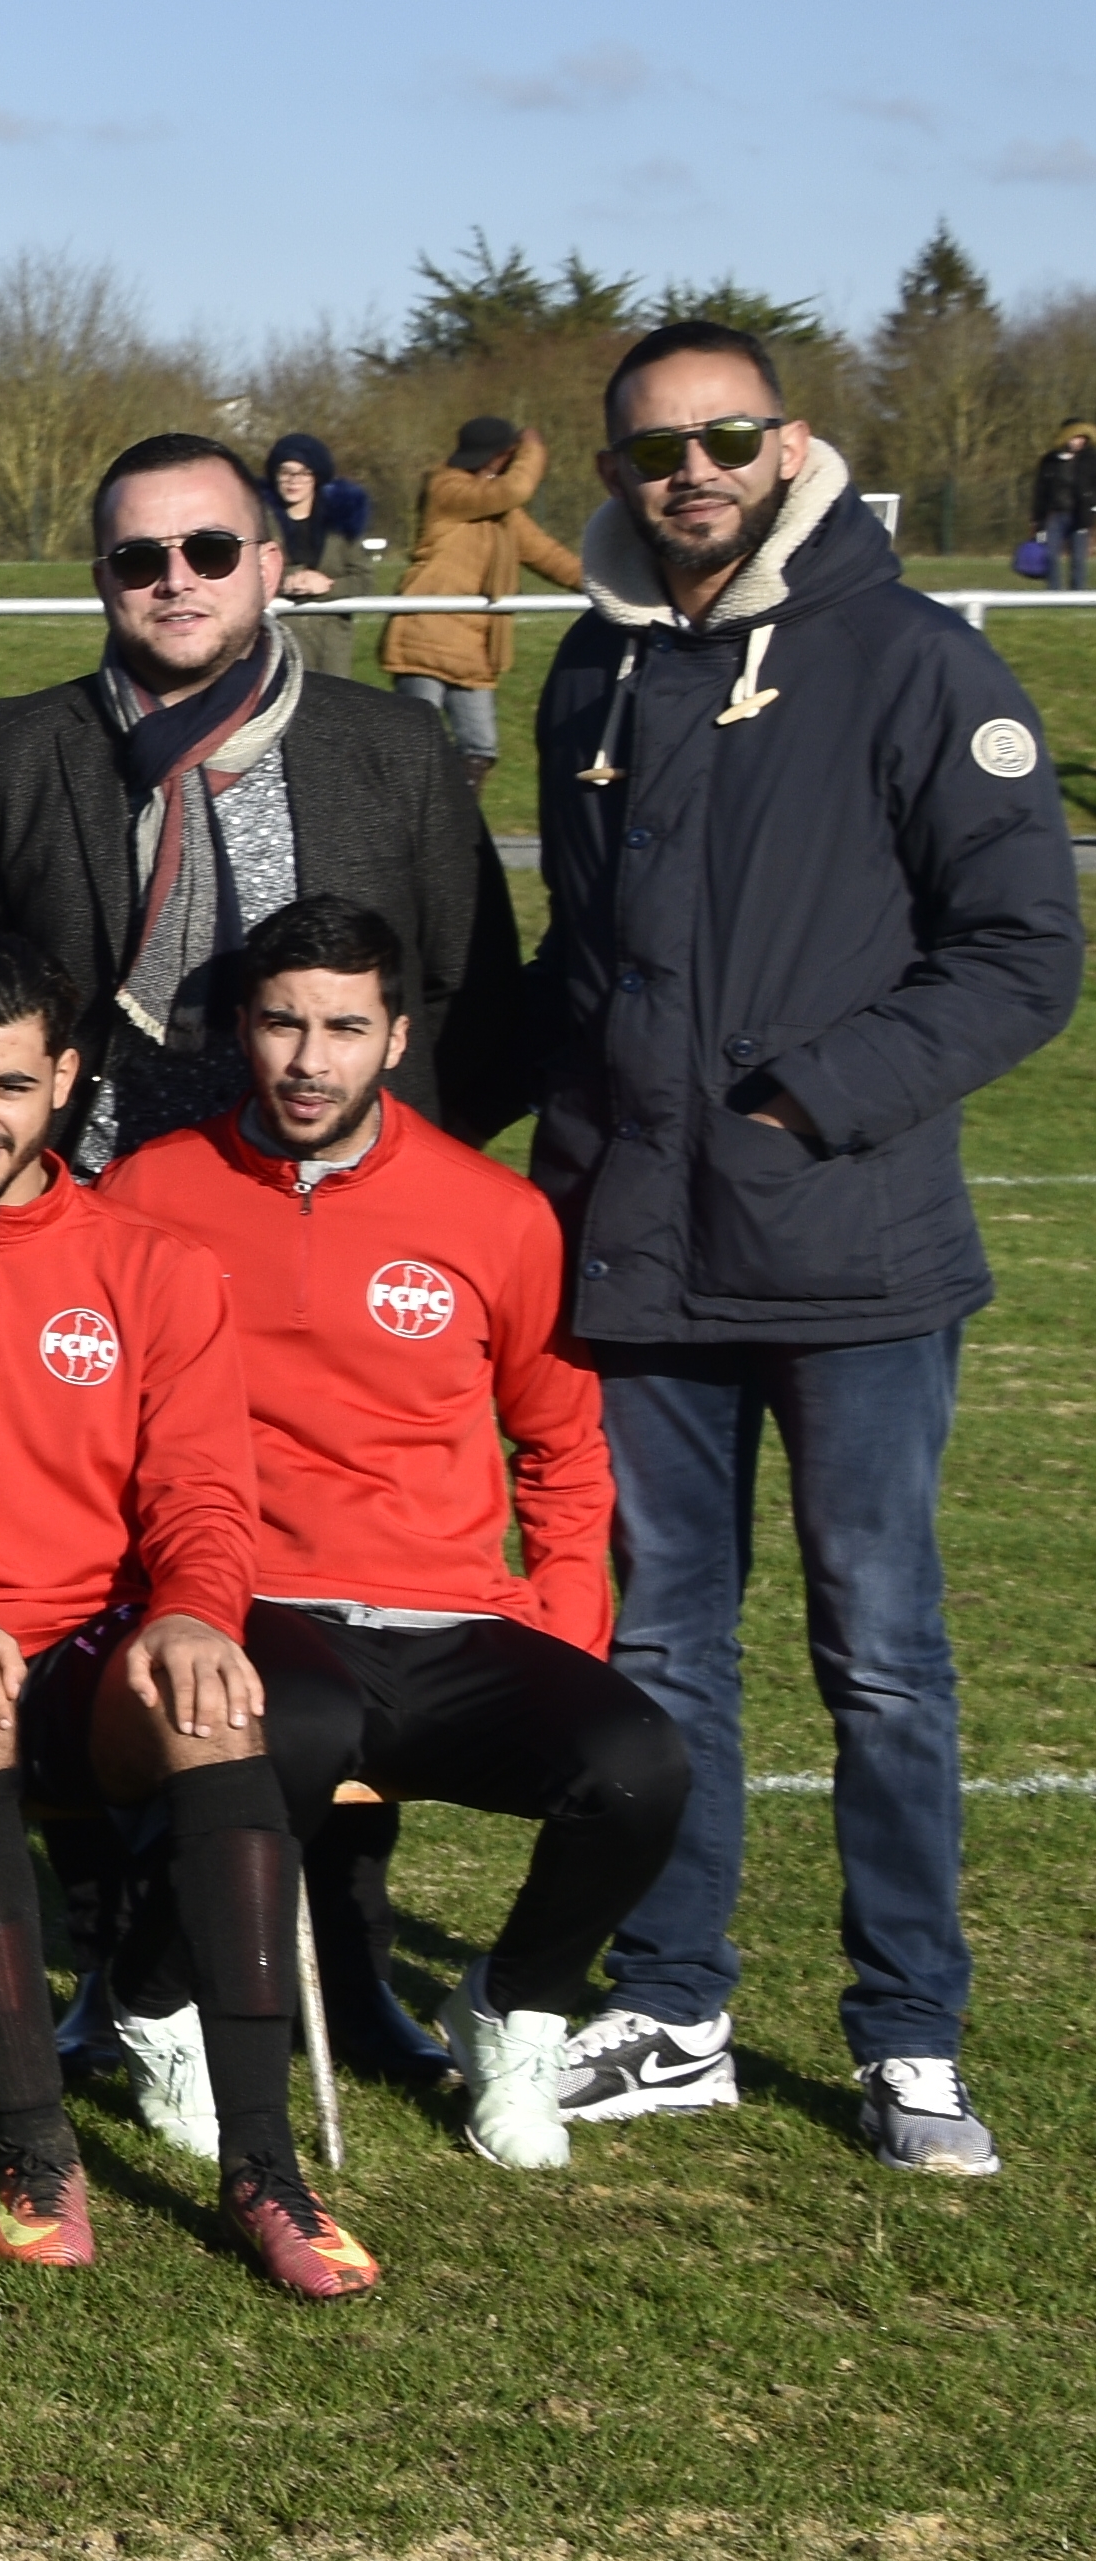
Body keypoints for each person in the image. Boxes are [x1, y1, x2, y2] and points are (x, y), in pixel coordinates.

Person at [529, 322, 1074, 2176]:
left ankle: (910, 2031)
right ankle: (676, 2001)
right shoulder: (592, 670)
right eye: (649, 449)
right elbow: (577, 979)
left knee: (887, 1659)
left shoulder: (917, 656)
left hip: (846, 1258)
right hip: (641, 1258)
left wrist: (806, 1103)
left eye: (723, 437)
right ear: (609, 473)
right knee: (666, 1646)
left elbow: (1021, 952)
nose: (687, 471)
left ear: (791, 443)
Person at [0, 929, 378, 2298]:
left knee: (212, 1692)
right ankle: (34, 2146)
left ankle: (261, 2167)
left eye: (5, 1084)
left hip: (102, 1640)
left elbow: (202, 1489)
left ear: (61, 1078)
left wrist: (192, 1611)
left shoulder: (152, 1263)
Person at [104, 893, 689, 2174]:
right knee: (286, 1731)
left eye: (343, 1027)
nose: (309, 1058)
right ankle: (151, 1999)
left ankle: (513, 2007)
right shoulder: (153, 1190)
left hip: (453, 1614)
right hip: (259, 1597)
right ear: (241, 1032)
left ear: (396, 1036)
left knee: (640, 1764)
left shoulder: (493, 1212)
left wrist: (567, 1620)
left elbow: (561, 1446)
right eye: (281, 1023)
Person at [0, 432, 521, 1171]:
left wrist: (405, 1161)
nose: (176, 580)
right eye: (139, 559)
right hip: (95, 1213)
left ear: (267, 565)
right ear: (101, 580)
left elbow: (471, 990)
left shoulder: (396, 744)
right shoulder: (9, 751)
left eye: (210, 550)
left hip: (336, 1202)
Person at [376, 418, 583, 791]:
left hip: (473, 648)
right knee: (414, 746)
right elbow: (517, 487)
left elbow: (547, 554)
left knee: (480, 749)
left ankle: (452, 830)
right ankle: (409, 829)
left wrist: (601, 584)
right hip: (425, 633)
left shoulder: (500, 514)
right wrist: (534, 448)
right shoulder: (447, 488)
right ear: (502, 456)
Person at [266, 437, 380, 685]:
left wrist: (327, 587)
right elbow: (248, 575)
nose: (293, 480)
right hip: (279, 637)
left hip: (332, 641)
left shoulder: (340, 525)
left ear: (316, 477)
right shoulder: (261, 522)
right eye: (285, 472)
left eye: (303, 473)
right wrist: (287, 581)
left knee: (334, 713)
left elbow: (364, 580)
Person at [1036, 421, 1095, 593]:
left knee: (1078, 558)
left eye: (1082, 438)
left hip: (1080, 516)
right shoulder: (1051, 461)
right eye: (1075, 437)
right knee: (1051, 555)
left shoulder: (1091, 460)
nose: (1078, 441)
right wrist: (1037, 517)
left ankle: (1077, 592)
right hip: (1056, 514)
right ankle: (1054, 590)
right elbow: (1041, 489)